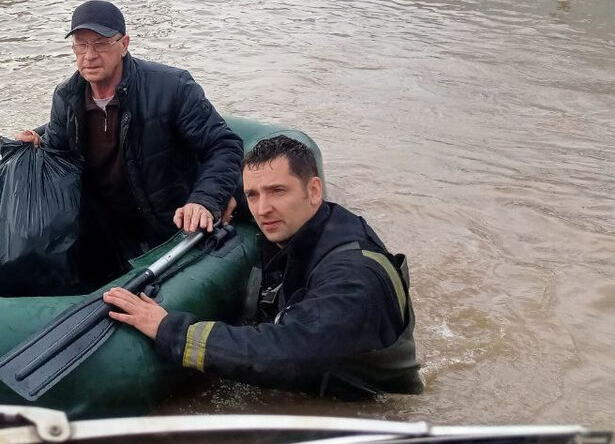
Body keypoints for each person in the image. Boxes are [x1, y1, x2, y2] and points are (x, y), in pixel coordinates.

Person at [103, 135, 423, 399]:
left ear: (314, 190)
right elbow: (256, 202)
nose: (262, 209)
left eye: (277, 191)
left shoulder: (352, 279)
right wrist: (217, 199)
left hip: (370, 408)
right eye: (252, 195)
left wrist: (171, 331)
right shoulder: (309, 223)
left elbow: (285, 354)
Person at [16, 0, 243, 285]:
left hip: (168, 223)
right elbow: (60, 156)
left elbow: (224, 145)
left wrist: (204, 199)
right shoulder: (65, 97)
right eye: (80, 45)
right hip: (107, 227)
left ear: (124, 44)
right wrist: (38, 147)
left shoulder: (173, 87)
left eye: (100, 44)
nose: (89, 56)